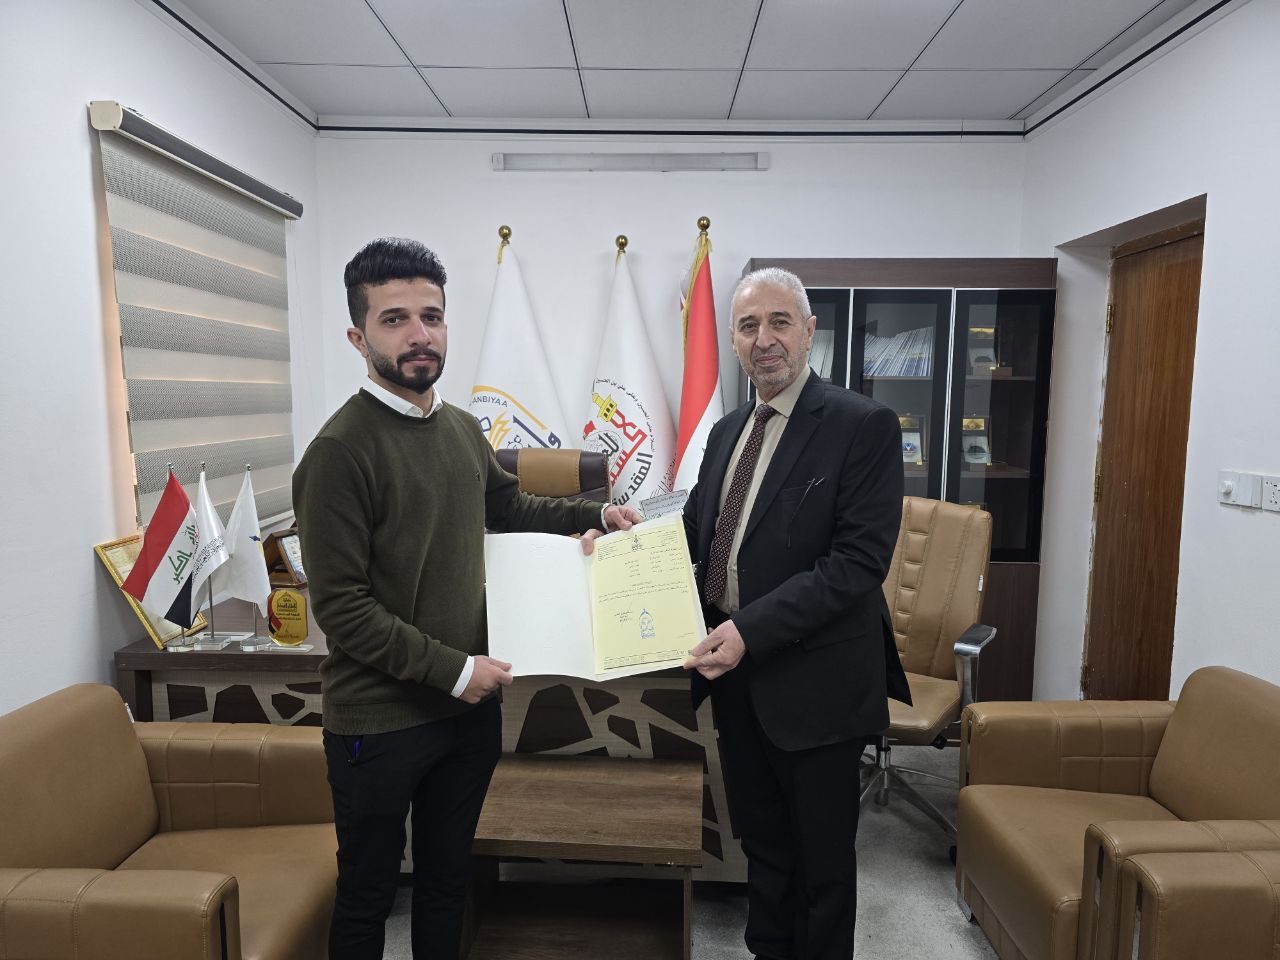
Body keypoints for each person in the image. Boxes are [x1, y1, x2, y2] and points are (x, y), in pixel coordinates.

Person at [293, 237, 642, 960]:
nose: (419, 335)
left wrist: (596, 514)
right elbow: (344, 610)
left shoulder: (459, 428)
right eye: (394, 320)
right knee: (367, 894)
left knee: (449, 883)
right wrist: (456, 671)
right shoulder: (338, 452)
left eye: (432, 316)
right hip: (379, 721)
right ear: (359, 338)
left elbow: (509, 507)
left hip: (465, 714)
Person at [682, 267, 909, 960]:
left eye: (780, 322)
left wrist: (747, 632)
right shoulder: (726, 432)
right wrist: (616, 545)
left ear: (809, 332)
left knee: (821, 864)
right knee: (764, 846)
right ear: (733, 340)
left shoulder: (862, 425)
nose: (765, 339)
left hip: (818, 686)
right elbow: (694, 536)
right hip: (737, 680)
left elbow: (856, 564)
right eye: (749, 326)